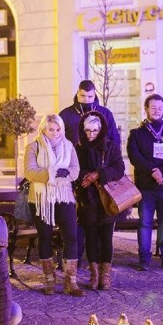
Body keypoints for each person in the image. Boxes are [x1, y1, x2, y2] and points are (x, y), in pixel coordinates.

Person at [59, 80, 121, 271]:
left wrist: (99, 174)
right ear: (77, 93)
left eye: (90, 96)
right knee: (78, 224)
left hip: (103, 184)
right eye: (83, 96)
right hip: (77, 177)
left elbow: (115, 145)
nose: (86, 100)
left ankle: (103, 271)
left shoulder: (105, 113)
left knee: (103, 230)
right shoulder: (67, 114)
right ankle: (75, 260)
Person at [23, 114, 82, 296]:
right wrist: (52, 173)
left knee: (71, 236)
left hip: (64, 195)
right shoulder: (33, 146)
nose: (55, 133)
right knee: (45, 236)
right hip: (42, 198)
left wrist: (68, 174)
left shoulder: (68, 146)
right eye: (51, 129)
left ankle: (71, 280)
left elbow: (75, 169)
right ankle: (49, 279)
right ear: (43, 129)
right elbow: (29, 171)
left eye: (58, 129)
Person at [127, 94, 163, 271]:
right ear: (146, 109)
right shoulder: (136, 134)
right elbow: (134, 156)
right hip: (146, 187)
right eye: (153, 107)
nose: (156, 111)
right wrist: (152, 171)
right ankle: (144, 259)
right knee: (144, 223)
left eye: (160, 108)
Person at [75, 111, 126, 290]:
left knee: (106, 238)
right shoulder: (78, 148)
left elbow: (119, 167)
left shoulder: (110, 147)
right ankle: (94, 275)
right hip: (87, 199)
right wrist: (85, 177)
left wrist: (99, 174)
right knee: (90, 238)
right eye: (88, 131)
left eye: (94, 131)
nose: (91, 134)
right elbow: (73, 169)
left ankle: (105, 276)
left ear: (101, 129)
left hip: (107, 200)